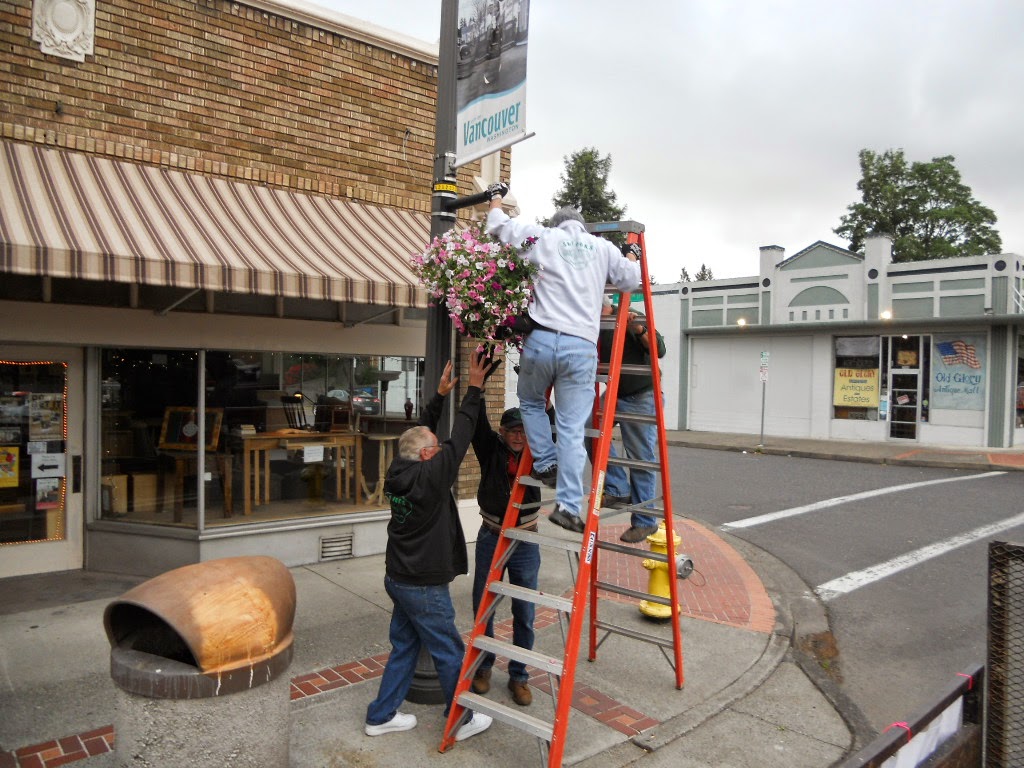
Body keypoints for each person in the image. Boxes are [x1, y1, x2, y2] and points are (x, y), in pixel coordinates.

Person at [485, 183, 641, 534]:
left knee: (530, 401)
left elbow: (497, 224)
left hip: (540, 340)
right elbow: (629, 280)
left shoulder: (544, 238)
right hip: (579, 346)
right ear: (582, 227)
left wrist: (496, 198)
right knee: (572, 428)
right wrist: (631, 253)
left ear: (557, 225)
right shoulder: (601, 249)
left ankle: (545, 460)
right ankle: (569, 507)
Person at [363, 352, 493, 741]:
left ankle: (381, 715)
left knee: (404, 646)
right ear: (427, 456)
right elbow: (462, 434)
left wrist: (438, 399)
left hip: (399, 577)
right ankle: (462, 718)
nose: (439, 451)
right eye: (434, 448)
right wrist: (474, 387)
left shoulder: (399, 468)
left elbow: (419, 434)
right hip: (422, 583)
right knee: (449, 650)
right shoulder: (432, 476)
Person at [470, 400, 541, 706]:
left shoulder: (538, 453)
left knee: (524, 612)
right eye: (513, 430)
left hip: (525, 539)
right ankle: (483, 667)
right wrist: (478, 386)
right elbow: (476, 423)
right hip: (492, 536)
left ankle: (519, 675)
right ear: (502, 432)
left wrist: (538, 384)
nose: (519, 436)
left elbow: (549, 421)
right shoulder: (490, 449)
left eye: (524, 431)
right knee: (484, 608)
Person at [597, 296, 667, 543]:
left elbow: (659, 350)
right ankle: (618, 488)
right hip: (616, 392)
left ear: (604, 306)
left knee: (640, 458)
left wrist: (638, 328)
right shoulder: (593, 324)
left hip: (642, 394)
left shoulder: (628, 314)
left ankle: (645, 521)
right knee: (589, 430)